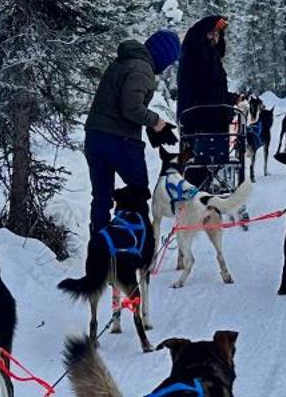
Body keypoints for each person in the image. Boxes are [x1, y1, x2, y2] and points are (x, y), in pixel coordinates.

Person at [82, 30, 179, 236]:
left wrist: (150, 126)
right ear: (163, 56)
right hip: (120, 140)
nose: (167, 67)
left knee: (101, 197)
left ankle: (100, 256)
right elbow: (131, 107)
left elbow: (119, 104)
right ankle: (137, 246)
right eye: (169, 61)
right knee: (139, 190)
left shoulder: (124, 62)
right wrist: (156, 121)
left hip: (94, 136)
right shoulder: (142, 69)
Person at [176, 14, 236, 183]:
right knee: (200, 163)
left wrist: (229, 99)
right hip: (200, 119)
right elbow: (204, 88)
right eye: (211, 33)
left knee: (212, 161)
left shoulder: (211, 56)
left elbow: (214, 88)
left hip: (211, 118)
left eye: (217, 34)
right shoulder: (197, 54)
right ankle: (199, 195)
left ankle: (209, 192)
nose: (214, 37)